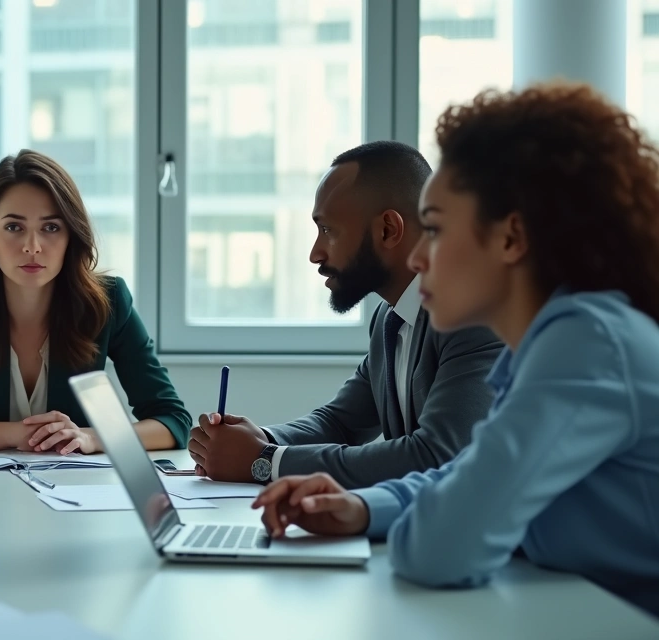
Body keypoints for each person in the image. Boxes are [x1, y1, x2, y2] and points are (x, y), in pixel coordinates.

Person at [252, 83, 659, 616]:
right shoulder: (539, 347)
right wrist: (358, 507)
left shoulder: (584, 344)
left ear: (511, 238)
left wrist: (407, 517)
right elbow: (463, 475)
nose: (418, 259)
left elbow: (439, 548)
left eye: (437, 229)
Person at [189, 141, 503, 489]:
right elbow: (340, 422)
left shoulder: (473, 317)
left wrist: (263, 461)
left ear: (388, 230)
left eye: (328, 230)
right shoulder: (390, 318)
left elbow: (435, 456)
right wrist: (257, 439)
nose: (314, 253)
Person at [0, 149, 190, 454]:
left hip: (76, 488)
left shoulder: (108, 302)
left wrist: (91, 438)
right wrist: (14, 434)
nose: (32, 247)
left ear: (71, 234)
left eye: (51, 228)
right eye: (14, 227)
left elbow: (172, 421)